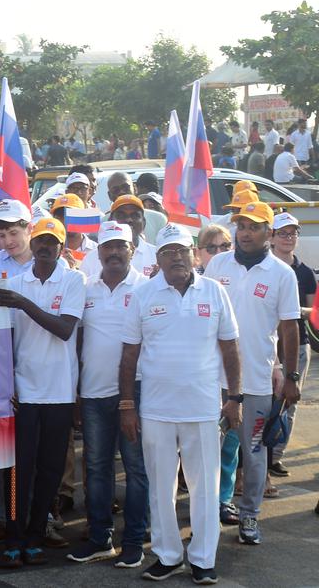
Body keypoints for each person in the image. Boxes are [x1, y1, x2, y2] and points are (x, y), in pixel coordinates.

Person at [118, 224, 242, 584]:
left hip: (204, 408)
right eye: (169, 252)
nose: (177, 258)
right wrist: (127, 404)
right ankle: (169, 555)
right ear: (157, 259)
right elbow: (129, 355)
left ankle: (203, 559)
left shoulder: (215, 292)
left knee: (205, 487)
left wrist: (234, 397)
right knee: (160, 486)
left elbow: (230, 347)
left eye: (182, 250)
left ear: (194, 253)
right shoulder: (143, 295)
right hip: (156, 409)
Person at [0, 218, 86, 569]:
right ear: (32, 241)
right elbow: (1, 341)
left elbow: (63, 329)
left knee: (50, 470)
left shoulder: (74, 280)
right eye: (40, 240)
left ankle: (34, 535)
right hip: (24, 393)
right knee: (19, 471)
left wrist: (23, 304)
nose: (45, 247)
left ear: (62, 246)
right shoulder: (14, 283)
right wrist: (6, 382)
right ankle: (14, 537)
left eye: (52, 241)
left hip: (59, 391)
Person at [203, 201, 301, 545]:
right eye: (241, 226)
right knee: (207, 452)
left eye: (253, 226)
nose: (244, 232)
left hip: (256, 382)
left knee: (254, 451)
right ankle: (210, 511)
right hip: (211, 379)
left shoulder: (282, 274)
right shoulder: (217, 264)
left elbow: (290, 329)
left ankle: (249, 517)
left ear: (268, 233)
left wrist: (290, 376)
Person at [67, 222, 149, 569]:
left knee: (135, 469)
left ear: (132, 250)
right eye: (108, 247)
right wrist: (77, 390)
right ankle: (100, 539)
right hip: (95, 393)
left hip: (138, 392)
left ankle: (134, 541)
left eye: (121, 246)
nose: (114, 252)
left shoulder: (147, 288)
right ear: (97, 251)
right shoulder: (86, 289)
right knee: (97, 468)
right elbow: (79, 340)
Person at [267, 212, 312, 478]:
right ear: (271, 237)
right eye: (283, 233)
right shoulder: (265, 267)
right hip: (270, 343)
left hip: (298, 343)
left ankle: (276, 456)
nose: (289, 238)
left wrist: (294, 311)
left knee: (289, 402)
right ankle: (256, 458)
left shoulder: (304, 271)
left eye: (293, 233)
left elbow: (312, 312)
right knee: (266, 402)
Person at [79, 195, 158, 279]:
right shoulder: (91, 258)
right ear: (110, 220)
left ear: (144, 222)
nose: (128, 220)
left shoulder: (156, 256)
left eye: (135, 215)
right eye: (121, 215)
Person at [0, 200, 33, 280]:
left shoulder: (48, 260)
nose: (8, 242)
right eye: (2, 235)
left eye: (13, 233)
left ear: (29, 229)